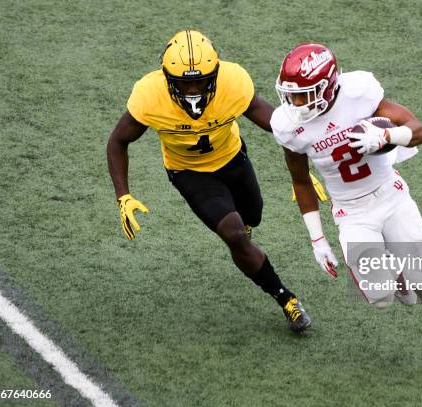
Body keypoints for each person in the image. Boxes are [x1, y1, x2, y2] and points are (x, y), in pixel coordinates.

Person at [270, 43, 422, 380]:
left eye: (305, 94)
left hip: (390, 196)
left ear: (330, 85)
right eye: (292, 95)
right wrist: (318, 240)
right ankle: (396, 275)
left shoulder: (358, 94)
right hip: (351, 212)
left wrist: (386, 137)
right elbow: (300, 181)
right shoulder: (288, 125)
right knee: (380, 299)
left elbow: (419, 131)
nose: (296, 103)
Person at [106, 30, 311, 333]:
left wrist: (304, 175)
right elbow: (117, 141)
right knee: (235, 234)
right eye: (184, 81)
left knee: (252, 216)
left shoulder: (232, 81)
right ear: (167, 78)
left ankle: (245, 240)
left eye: (200, 79)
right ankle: (286, 299)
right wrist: (123, 195)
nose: (192, 88)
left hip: (233, 159)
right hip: (189, 172)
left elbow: (280, 126)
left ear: (215, 73)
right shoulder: (150, 94)